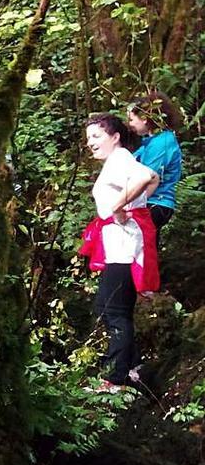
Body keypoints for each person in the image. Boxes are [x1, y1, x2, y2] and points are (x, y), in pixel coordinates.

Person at [78, 113, 160, 392]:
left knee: (114, 311)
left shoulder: (121, 159)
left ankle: (114, 378)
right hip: (119, 247)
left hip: (124, 249)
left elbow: (147, 176)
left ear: (115, 137)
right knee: (108, 308)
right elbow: (154, 178)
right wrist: (130, 205)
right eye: (89, 138)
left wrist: (119, 207)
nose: (91, 143)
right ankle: (131, 367)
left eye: (97, 136)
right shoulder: (118, 160)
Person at [127, 90, 183, 232]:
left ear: (145, 118)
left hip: (156, 203)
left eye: (132, 120)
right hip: (148, 202)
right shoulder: (151, 142)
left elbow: (146, 177)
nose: (130, 125)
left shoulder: (162, 142)